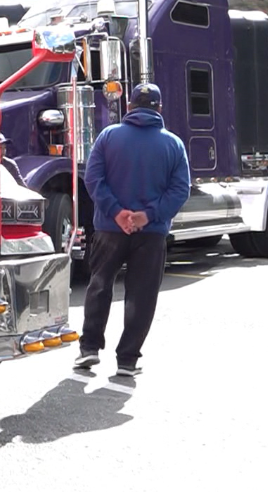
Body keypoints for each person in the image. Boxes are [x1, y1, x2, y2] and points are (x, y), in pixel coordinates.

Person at [74, 83, 191, 377]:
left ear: (129, 106)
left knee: (100, 286)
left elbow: (93, 178)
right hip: (151, 233)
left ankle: (89, 348)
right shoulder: (173, 144)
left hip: (109, 229)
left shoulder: (108, 136)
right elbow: (180, 190)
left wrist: (116, 213)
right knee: (142, 293)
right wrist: (146, 216)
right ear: (159, 109)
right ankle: (127, 360)